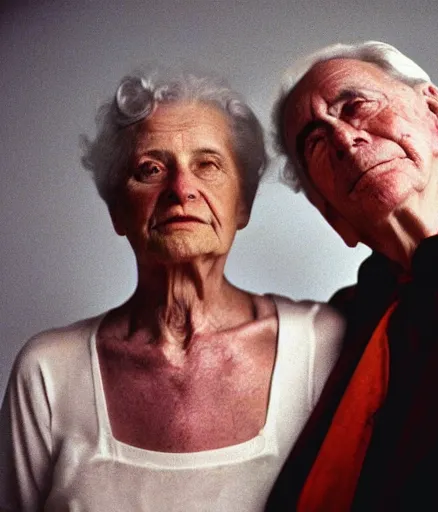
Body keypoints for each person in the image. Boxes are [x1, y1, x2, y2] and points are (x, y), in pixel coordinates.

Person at [0, 71, 345, 511]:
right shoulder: (48, 370)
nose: (181, 190)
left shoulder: (324, 343)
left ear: (243, 205)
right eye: (151, 169)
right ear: (118, 211)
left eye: (208, 164)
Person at [266, 41, 438, 511]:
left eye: (355, 105)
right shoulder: (336, 328)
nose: (343, 139)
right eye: (315, 142)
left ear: (435, 111)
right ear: (331, 215)